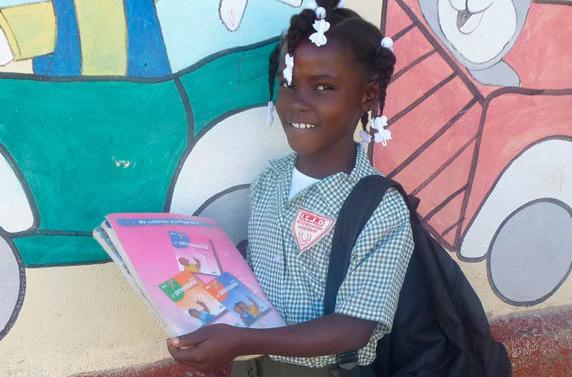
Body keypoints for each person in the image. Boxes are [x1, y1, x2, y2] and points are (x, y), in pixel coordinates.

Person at [167, 1, 411, 376]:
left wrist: (241, 341)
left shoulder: (379, 207)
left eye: (324, 87)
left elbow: (354, 327)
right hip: (249, 364)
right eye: (287, 84)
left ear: (367, 95)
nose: (298, 103)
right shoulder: (269, 180)